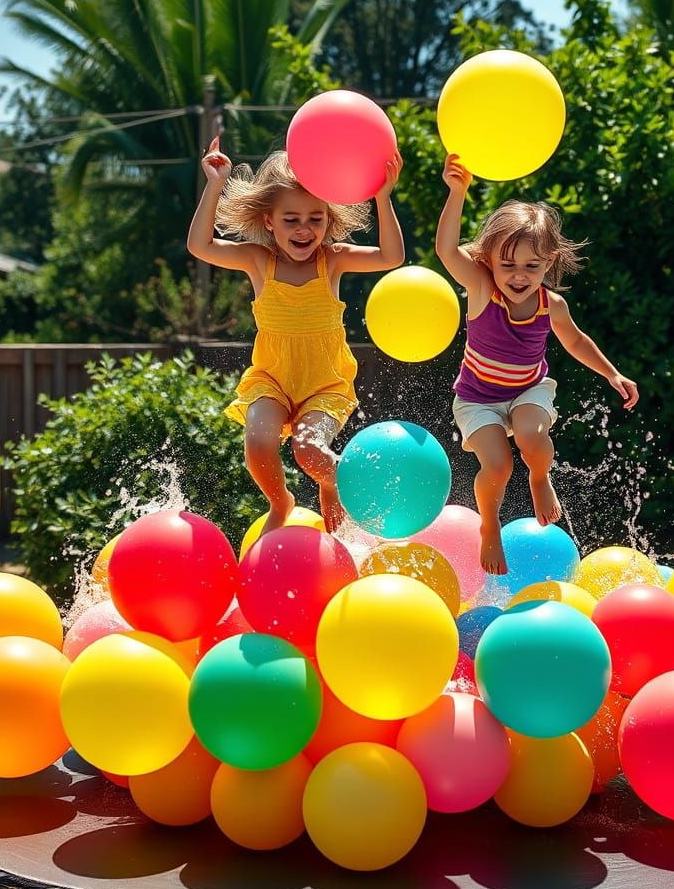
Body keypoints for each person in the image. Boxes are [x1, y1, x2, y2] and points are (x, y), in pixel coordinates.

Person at [188, 137, 405, 534]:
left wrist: (383, 197)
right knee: (257, 444)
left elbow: (391, 257)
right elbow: (199, 245)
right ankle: (281, 501)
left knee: (309, 452)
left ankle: (338, 491)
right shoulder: (258, 261)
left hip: (324, 384)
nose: (305, 229)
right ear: (269, 220)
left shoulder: (333, 260)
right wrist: (215, 182)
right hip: (272, 380)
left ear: (328, 217)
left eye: (315, 219)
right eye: (291, 219)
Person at [435, 153, 639, 575]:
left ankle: (539, 477)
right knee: (497, 465)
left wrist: (611, 372)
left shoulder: (552, 305)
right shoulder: (480, 288)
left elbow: (576, 341)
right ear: (489, 260)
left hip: (528, 389)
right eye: (507, 264)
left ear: (549, 263)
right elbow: (445, 249)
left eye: (532, 265)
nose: (519, 274)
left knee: (531, 436)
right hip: (477, 400)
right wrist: (457, 194)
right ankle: (489, 525)